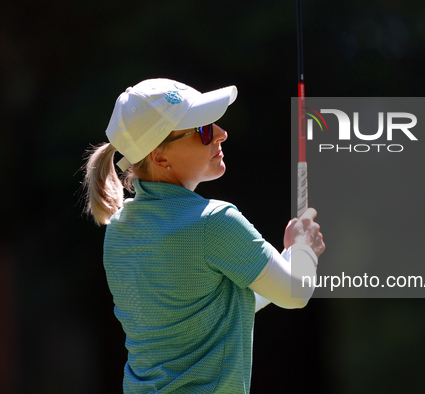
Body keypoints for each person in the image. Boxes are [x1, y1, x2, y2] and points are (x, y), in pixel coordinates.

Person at [82, 78, 325, 394]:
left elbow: (211, 311)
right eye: (204, 130)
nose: (221, 134)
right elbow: (295, 292)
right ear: (159, 157)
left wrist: (286, 258)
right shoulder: (215, 222)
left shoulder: (119, 230)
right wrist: (303, 249)